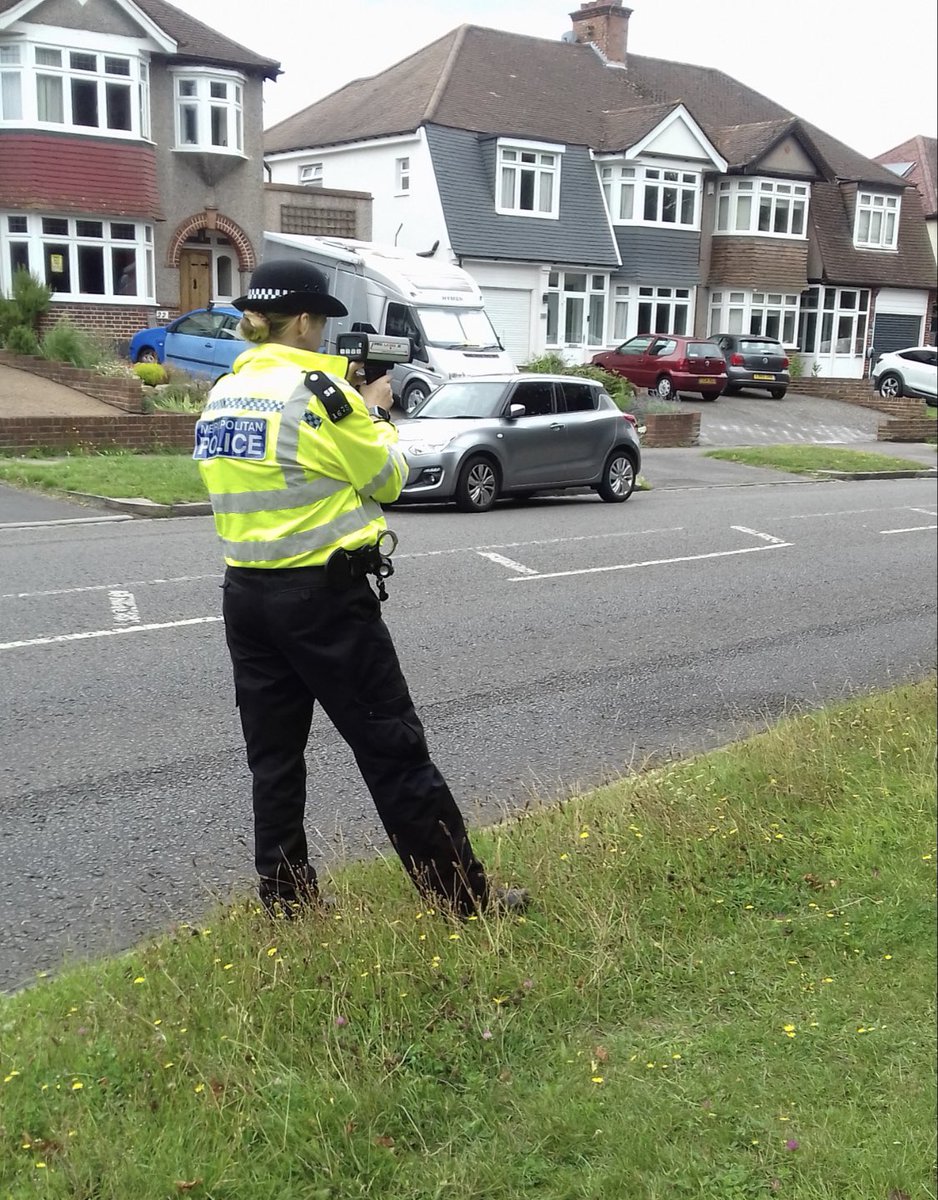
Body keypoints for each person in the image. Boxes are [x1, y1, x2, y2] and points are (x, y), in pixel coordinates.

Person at [194, 259, 526, 919]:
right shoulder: (321, 393)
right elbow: (389, 479)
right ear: (308, 320)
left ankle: (288, 903)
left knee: (275, 759)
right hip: (324, 599)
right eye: (321, 323)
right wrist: (373, 411)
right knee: (392, 749)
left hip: (246, 597)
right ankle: (462, 902)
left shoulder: (225, 391)